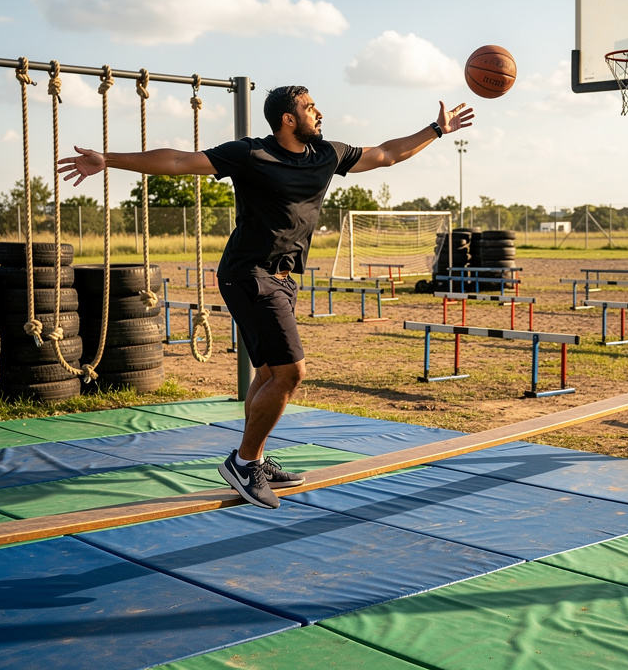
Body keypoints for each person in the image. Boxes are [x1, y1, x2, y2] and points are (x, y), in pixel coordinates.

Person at [58, 85, 474, 508]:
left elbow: (387, 153)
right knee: (291, 373)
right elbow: (180, 161)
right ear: (288, 119)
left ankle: (251, 457)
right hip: (249, 275)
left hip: (284, 280)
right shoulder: (251, 154)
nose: (320, 113)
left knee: (267, 374)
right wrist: (108, 160)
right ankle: (244, 463)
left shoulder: (327, 154)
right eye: (311, 107)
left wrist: (436, 130)